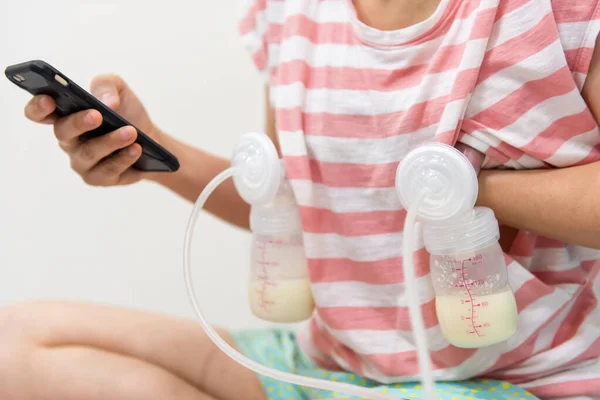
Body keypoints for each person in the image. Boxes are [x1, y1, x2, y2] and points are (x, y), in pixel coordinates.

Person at [2, 1, 600, 399]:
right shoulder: (292, 12)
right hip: (327, 372)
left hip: (518, 380)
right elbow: (291, 206)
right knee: (18, 344)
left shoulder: (556, 14)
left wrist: (472, 190)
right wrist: (150, 151)